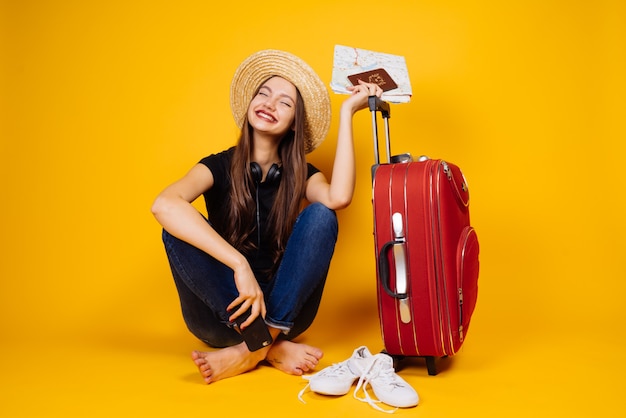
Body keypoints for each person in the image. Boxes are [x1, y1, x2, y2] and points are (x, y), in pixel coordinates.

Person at [151, 49, 383, 384]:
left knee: (322, 215)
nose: (270, 104)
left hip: (284, 312)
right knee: (176, 227)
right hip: (219, 315)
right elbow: (163, 205)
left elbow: (339, 197)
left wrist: (348, 112)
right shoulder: (216, 165)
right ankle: (270, 347)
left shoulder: (303, 175)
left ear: (293, 125)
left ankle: (254, 347)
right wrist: (239, 266)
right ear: (248, 107)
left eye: (285, 103)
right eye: (263, 94)